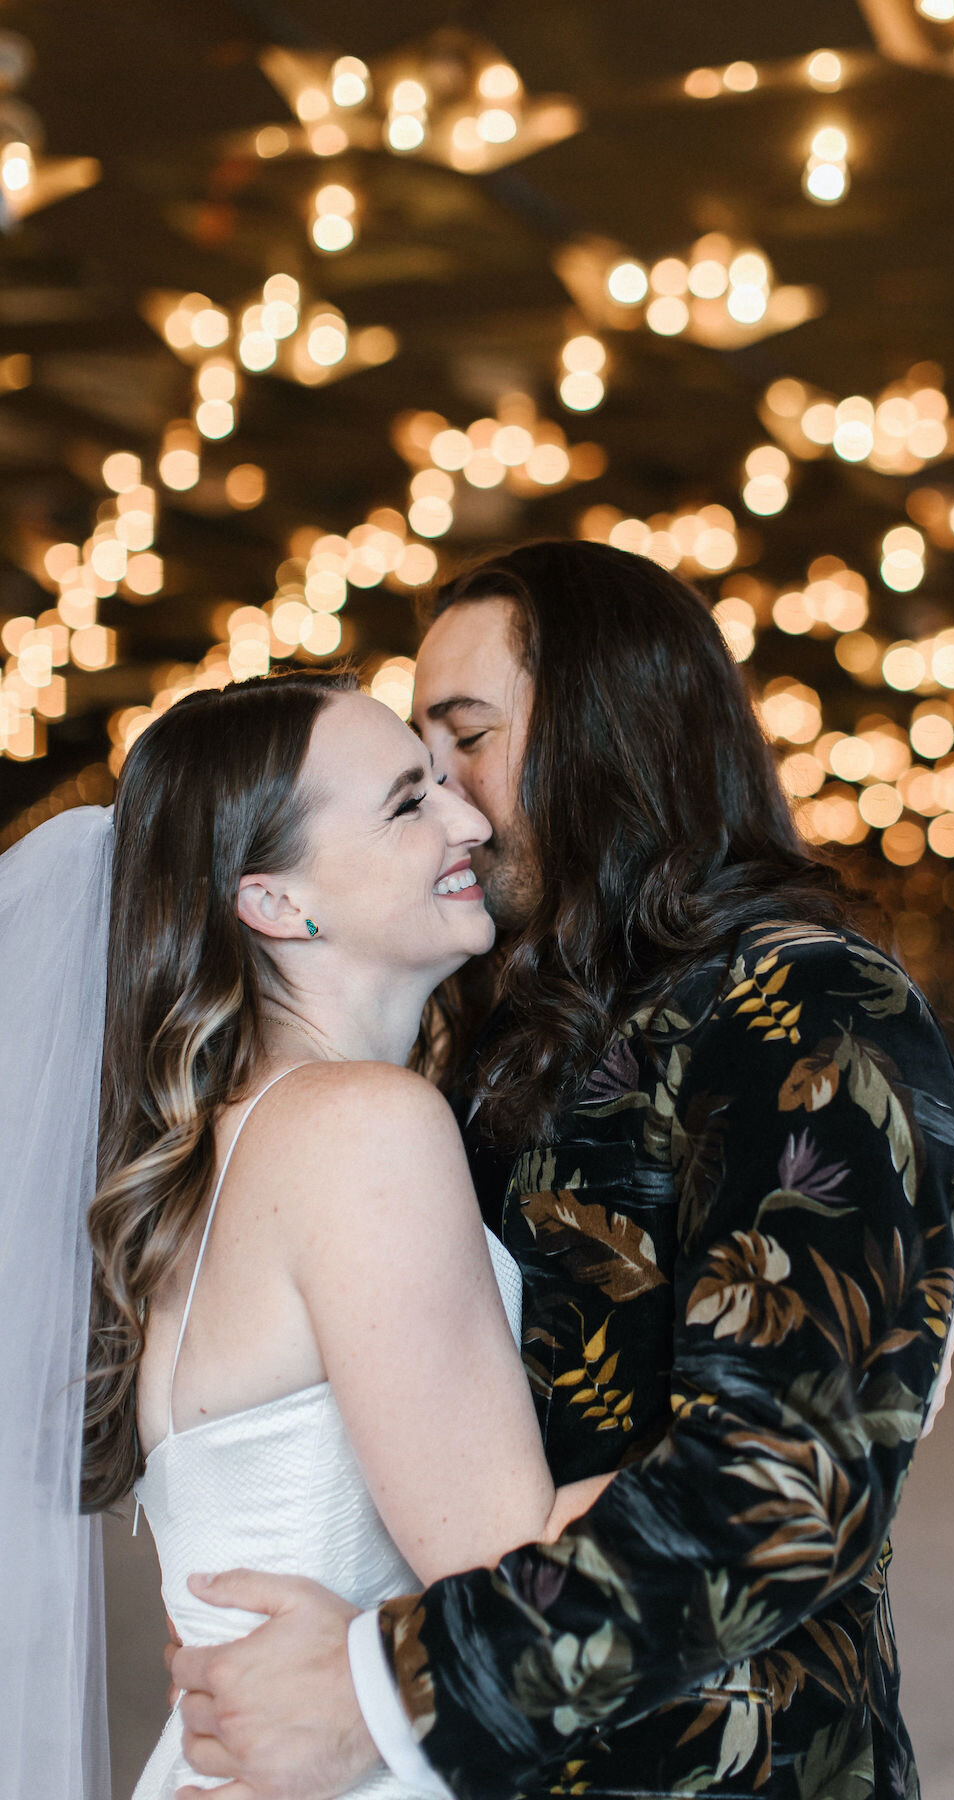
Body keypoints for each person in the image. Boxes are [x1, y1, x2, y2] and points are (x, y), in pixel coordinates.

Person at [170, 541, 954, 1800]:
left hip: (720, 1769)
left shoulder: (802, 1005)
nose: (454, 799)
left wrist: (388, 1690)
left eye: (466, 739)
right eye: (418, 772)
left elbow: (788, 1478)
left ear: (614, 732)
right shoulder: (487, 1034)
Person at [0, 667, 613, 1800]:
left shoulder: (227, 1148)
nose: (470, 818)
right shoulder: (359, 1130)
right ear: (276, 902)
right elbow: (513, 1572)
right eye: (408, 801)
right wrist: (831, 1377)